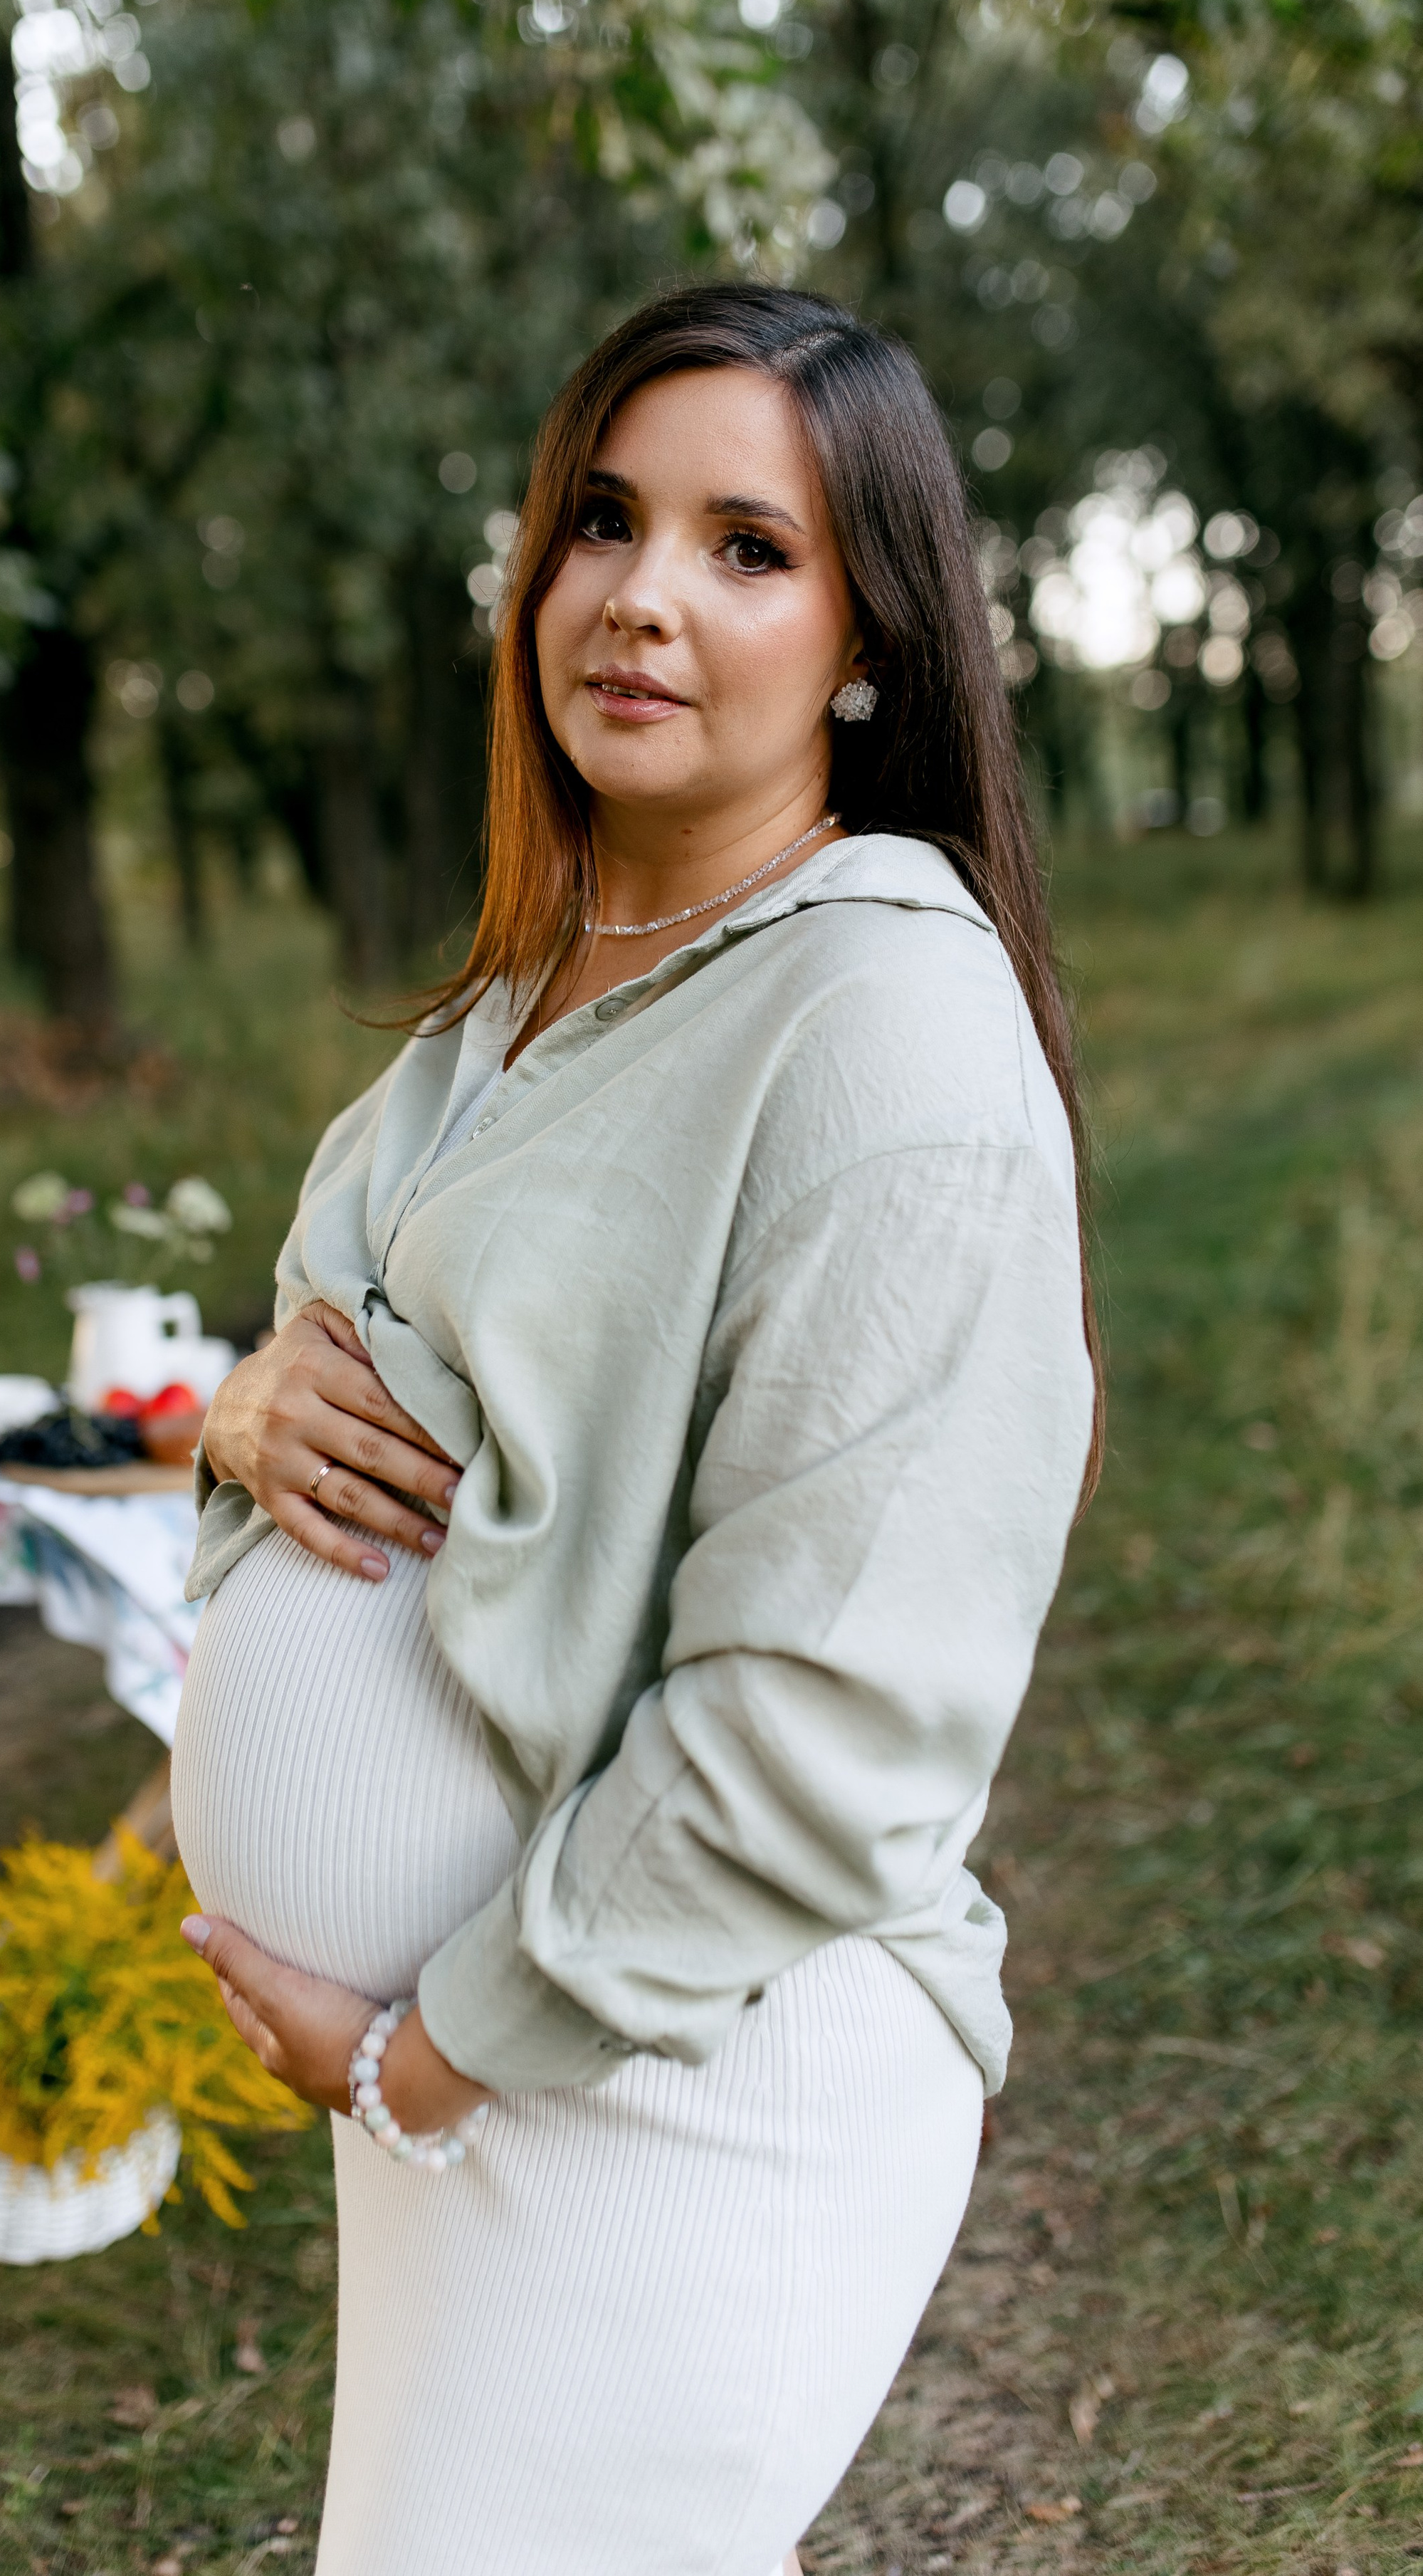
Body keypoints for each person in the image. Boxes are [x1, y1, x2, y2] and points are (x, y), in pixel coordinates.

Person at [171, 282, 1097, 2576]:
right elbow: (341, 1362)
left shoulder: (884, 1023)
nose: (644, 595)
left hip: (684, 2070)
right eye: (602, 519)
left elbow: (835, 1701)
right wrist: (244, 1403)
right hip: (491, 2067)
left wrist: (437, 2055)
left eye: (746, 547)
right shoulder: (522, 996)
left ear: (871, 633)